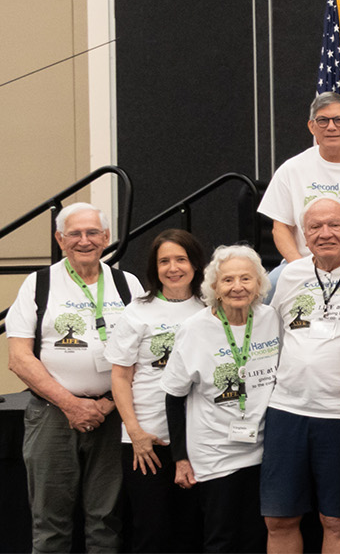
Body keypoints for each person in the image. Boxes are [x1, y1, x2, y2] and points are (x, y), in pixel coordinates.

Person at [8, 203, 144, 553]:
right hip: (53, 415)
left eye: (93, 232)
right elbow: (19, 358)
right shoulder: (38, 284)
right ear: (60, 239)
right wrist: (71, 405)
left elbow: (143, 354)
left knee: (106, 520)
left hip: (113, 416)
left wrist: (107, 403)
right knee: (50, 523)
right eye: (75, 234)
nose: (85, 241)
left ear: (107, 238)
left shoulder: (126, 283)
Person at [265, 197, 340, 554]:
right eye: (314, 227)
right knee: (279, 519)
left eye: (334, 225)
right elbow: (272, 336)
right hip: (287, 411)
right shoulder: (286, 275)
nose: (325, 233)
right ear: (302, 234)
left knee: (337, 519)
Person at [161, 245, 281, 554]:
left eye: (246, 279)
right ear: (214, 286)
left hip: (262, 451)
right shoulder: (194, 329)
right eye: (227, 280)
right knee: (222, 538)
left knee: (258, 535)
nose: (237, 287)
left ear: (259, 285)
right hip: (215, 455)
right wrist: (180, 458)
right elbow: (174, 398)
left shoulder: (271, 319)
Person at [108, 228, 207, 553]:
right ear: (154, 267)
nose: (173, 267)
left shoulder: (210, 308)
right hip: (147, 441)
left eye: (181, 259)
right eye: (164, 261)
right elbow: (120, 377)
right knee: (152, 530)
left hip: (199, 440)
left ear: (195, 264)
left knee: (191, 530)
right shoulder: (138, 310)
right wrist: (135, 433)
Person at [260, 92, 340, 261]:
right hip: (303, 262)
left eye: (339, 120)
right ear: (311, 126)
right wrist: (299, 265)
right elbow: (280, 228)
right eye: (323, 121)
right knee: (270, 285)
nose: (331, 127)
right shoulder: (291, 169)